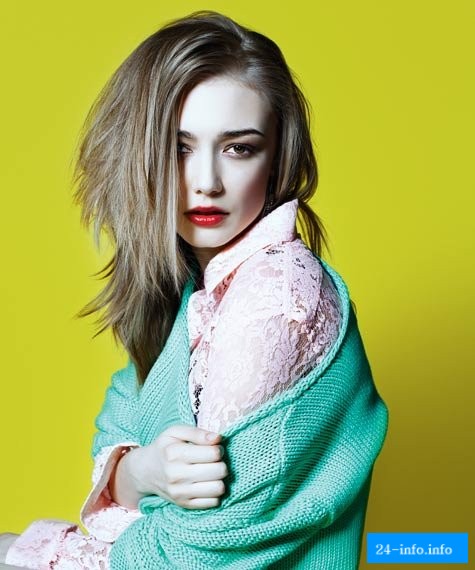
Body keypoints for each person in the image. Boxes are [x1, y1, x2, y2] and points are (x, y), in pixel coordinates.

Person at [0, 10, 388, 570]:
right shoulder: (198, 286)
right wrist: (146, 470)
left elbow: (195, 548)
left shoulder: (275, 297)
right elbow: (117, 425)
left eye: (238, 148)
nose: (206, 181)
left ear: (277, 155)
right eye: (179, 148)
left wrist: (32, 553)